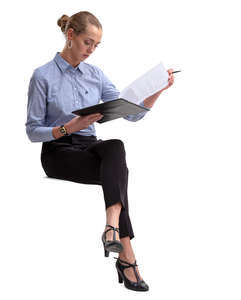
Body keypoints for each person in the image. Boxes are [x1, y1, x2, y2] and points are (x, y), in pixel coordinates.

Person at [25, 11, 174, 292]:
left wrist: (157, 90)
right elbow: (33, 130)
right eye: (87, 42)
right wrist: (69, 127)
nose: (91, 50)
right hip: (58, 153)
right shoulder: (42, 76)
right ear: (70, 36)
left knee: (116, 147)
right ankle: (127, 258)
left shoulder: (95, 75)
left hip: (89, 147)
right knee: (119, 175)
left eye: (96, 45)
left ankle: (111, 227)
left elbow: (130, 115)